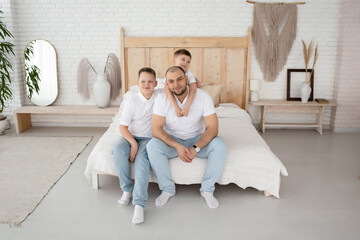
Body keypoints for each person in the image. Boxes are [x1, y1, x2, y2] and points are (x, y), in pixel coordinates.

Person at [147, 66, 227, 209]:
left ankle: (207, 189)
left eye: (179, 79)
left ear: (187, 79)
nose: (176, 84)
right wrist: (177, 146)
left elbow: (213, 129)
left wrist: (195, 148)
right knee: (152, 145)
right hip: (173, 141)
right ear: (166, 84)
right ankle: (167, 188)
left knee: (220, 145)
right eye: (171, 81)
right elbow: (156, 129)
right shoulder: (161, 99)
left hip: (197, 139)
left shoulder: (203, 97)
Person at [112, 67, 160, 224]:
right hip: (130, 136)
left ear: (156, 83)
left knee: (141, 162)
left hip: (148, 139)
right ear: (138, 83)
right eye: (143, 81)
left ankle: (139, 204)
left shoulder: (161, 96)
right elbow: (122, 128)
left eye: (150, 81)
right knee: (118, 150)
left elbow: (179, 88)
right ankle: (127, 189)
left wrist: (194, 83)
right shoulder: (132, 101)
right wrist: (133, 143)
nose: (147, 84)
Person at [164, 49, 199, 117]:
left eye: (188, 62)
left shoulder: (189, 74)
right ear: (174, 60)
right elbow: (167, 91)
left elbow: (193, 90)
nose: (185, 63)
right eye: (183, 59)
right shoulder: (169, 73)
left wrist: (187, 107)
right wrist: (176, 107)